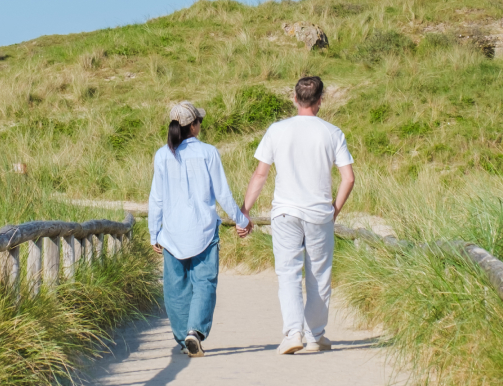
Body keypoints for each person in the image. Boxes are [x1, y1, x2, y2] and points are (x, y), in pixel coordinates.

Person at [240, 75, 355, 356]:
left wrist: (244, 211)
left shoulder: (277, 130)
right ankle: (315, 334)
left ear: (294, 98)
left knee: (288, 273)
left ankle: (293, 333)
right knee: (319, 274)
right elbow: (348, 178)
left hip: (285, 212)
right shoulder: (332, 132)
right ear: (320, 101)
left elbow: (260, 174)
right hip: (318, 212)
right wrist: (334, 210)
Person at [148, 100, 250, 358]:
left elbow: (156, 198)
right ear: (193, 126)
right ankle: (196, 331)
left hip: (171, 234)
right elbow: (222, 193)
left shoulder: (162, 155)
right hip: (204, 232)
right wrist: (241, 219)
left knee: (175, 288)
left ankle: (184, 337)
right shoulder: (208, 152)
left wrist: (153, 232)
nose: (200, 125)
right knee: (204, 282)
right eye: (199, 122)